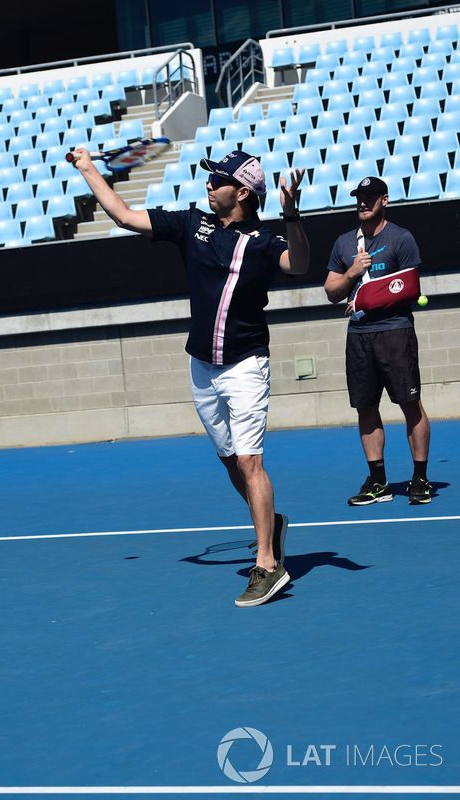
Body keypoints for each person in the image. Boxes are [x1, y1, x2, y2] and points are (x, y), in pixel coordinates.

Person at [72, 147, 309, 606]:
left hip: (245, 365)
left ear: (241, 192)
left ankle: (268, 564)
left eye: (216, 180)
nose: (207, 185)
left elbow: (298, 266)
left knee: (249, 461)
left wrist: (292, 214)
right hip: (202, 365)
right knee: (228, 461)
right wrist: (86, 168)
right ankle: (272, 523)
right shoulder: (190, 224)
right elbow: (122, 215)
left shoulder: (263, 240)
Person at [324, 176, 431, 506]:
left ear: (384, 200)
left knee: (409, 403)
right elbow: (331, 291)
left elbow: (409, 287)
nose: (363, 202)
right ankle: (379, 481)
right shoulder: (344, 244)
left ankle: (420, 478)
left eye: (370, 197)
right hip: (358, 337)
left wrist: (368, 298)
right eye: (359, 197)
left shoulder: (401, 238)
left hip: (395, 332)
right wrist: (352, 273)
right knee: (366, 407)